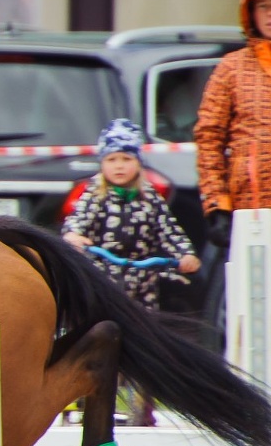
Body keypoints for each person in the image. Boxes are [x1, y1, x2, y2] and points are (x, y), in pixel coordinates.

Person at [62, 117, 199, 426]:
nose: (119, 166)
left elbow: (170, 232)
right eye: (112, 159)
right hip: (104, 280)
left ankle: (143, 404)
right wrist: (73, 237)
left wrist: (184, 255)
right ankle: (84, 398)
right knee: (94, 337)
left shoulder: (150, 198)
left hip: (142, 282)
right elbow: (75, 223)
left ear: (138, 162)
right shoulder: (94, 196)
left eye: (126, 158)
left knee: (147, 340)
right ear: (102, 163)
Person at [194, 0, 271, 350]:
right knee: (244, 307)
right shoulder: (231, 68)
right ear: (250, 14)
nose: (270, 15)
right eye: (264, 7)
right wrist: (216, 204)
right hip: (249, 210)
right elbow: (208, 136)